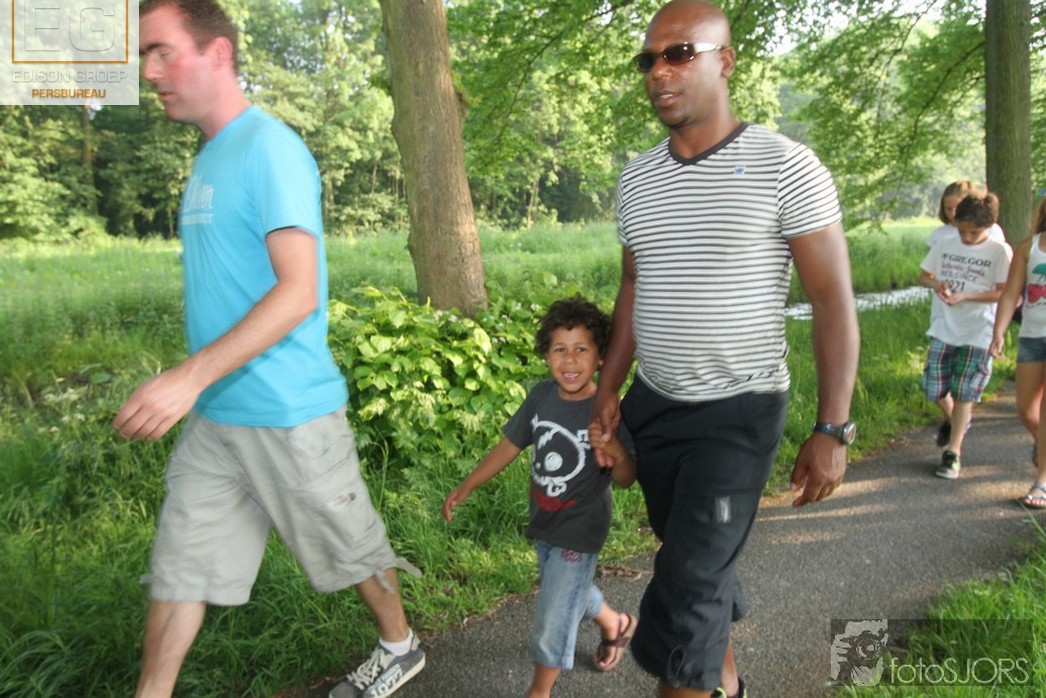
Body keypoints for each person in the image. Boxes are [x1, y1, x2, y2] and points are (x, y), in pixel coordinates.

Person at [116, 3, 423, 697]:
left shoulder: (269, 148)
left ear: (218, 54)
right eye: (143, 56)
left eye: (162, 51)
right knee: (180, 568)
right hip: (218, 417)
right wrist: (199, 386)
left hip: (289, 410)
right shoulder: (210, 156)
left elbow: (298, 292)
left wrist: (186, 378)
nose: (149, 72)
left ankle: (399, 645)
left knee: (351, 548)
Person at [589, 2, 860, 697]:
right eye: (648, 60)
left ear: (726, 61)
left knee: (687, 587)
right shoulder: (638, 180)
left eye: (679, 53)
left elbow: (832, 301)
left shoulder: (785, 167)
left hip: (738, 411)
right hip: (655, 404)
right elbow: (633, 286)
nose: (659, 71)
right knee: (691, 557)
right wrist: (610, 386)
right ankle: (729, 682)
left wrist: (833, 427)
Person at [442, 297, 638, 698]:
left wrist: (616, 452)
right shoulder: (541, 397)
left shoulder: (606, 408)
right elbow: (509, 445)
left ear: (601, 357)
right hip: (545, 520)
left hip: (580, 529)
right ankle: (614, 622)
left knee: (553, 615)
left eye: (582, 349)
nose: (570, 360)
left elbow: (626, 478)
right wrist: (468, 483)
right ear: (545, 355)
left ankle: (539, 690)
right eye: (559, 349)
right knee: (565, 590)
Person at [919, 192, 1012, 480]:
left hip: (978, 330)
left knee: (964, 392)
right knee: (932, 387)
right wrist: (936, 283)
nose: (968, 238)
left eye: (975, 232)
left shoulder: (999, 251)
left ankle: (953, 452)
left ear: (989, 226)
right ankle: (955, 418)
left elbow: (1004, 292)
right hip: (944, 327)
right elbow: (923, 276)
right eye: (963, 231)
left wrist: (967, 297)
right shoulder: (945, 244)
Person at [991, 196, 1046, 506]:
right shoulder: (1029, 247)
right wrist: (998, 332)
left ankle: (1041, 482)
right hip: (1032, 336)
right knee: (1026, 410)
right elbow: (1011, 294)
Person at [926, 180, 1007, 249]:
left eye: (957, 207)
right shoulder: (938, 234)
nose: (953, 213)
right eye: (948, 209)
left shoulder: (991, 230)